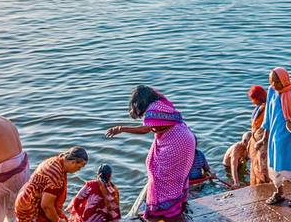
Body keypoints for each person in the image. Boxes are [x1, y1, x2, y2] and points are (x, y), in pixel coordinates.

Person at [105, 86, 195, 220]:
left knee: (160, 176)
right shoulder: (161, 103)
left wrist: (121, 129)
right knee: (174, 175)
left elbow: (145, 129)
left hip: (176, 141)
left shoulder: (153, 109)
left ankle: (165, 210)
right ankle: (174, 205)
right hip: (184, 137)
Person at [262, 67, 291, 207]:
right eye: (271, 82)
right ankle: (279, 192)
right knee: (273, 166)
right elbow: (268, 115)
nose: (274, 85)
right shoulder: (272, 91)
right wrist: (265, 136)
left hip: (289, 136)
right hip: (274, 137)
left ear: (284, 79)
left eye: (276, 82)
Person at [14, 147, 88, 222]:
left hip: (28, 197)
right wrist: (58, 220)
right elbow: (46, 206)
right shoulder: (55, 174)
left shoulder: (57, 160)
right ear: (73, 162)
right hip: (29, 208)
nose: (78, 170)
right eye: (79, 167)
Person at [247, 85, 270, 186]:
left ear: (258, 98)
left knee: (262, 165)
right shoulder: (259, 108)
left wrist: (262, 139)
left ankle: (265, 184)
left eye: (253, 99)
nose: (252, 102)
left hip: (263, 142)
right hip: (255, 139)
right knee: (255, 164)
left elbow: (267, 125)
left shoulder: (266, 108)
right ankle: (257, 184)